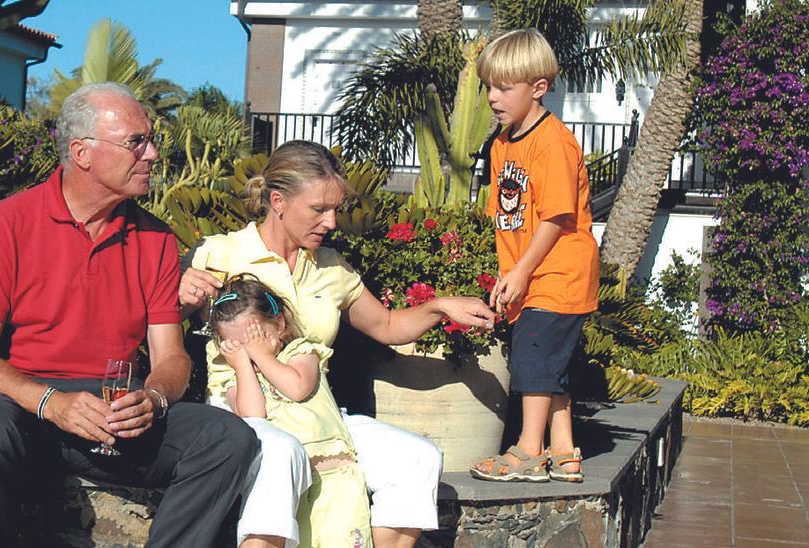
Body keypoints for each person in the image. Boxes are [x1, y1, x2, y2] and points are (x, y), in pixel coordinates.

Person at [0, 82, 260, 547]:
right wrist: (52, 402)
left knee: (228, 439)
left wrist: (153, 399)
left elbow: (171, 358)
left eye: (151, 140)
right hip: (23, 405)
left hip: (115, 412)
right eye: (136, 142)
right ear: (82, 152)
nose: (151, 154)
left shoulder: (155, 239)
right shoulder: (7, 223)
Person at [180, 140, 497, 548]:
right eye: (318, 209)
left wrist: (440, 307)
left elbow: (385, 325)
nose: (331, 221)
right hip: (244, 407)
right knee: (281, 454)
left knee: (418, 457)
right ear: (277, 200)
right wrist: (179, 291)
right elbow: (162, 317)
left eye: (335, 210)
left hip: (318, 410)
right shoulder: (220, 253)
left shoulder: (331, 266)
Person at [469, 29, 599, 483]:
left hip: (558, 272)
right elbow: (508, 220)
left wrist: (522, 271)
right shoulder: (504, 143)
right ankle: (563, 451)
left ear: (538, 88)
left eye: (505, 87)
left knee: (534, 358)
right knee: (549, 362)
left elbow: (556, 217)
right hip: (530, 275)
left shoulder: (554, 143)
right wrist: (510, 275)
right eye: (489, 86)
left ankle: (528, 449)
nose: (493, 97)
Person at [209, 275, 372, 547]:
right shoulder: (237, 378)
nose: (248, 350)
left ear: (279, 324)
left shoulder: (301, 351)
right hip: (289, 486)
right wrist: (241, 366)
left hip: (333, 478)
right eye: (236, 346)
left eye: (255, 338)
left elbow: (297, 387)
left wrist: (263, 356)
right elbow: (253, 416)